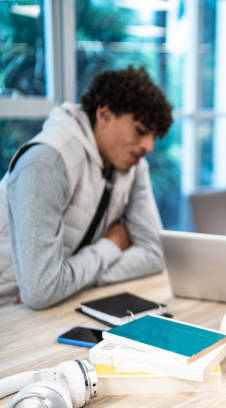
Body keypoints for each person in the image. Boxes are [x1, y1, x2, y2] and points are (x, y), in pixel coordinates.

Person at [0, 66, 173, 309]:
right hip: (10, 311)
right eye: (141, 131)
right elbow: (41, 292)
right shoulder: (46, 160)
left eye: (154, 136)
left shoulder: (133, 164)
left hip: (59, 304)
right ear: (104, 115)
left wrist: (67, 280)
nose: (148, 146)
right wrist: (111, 245)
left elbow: (155, 254)